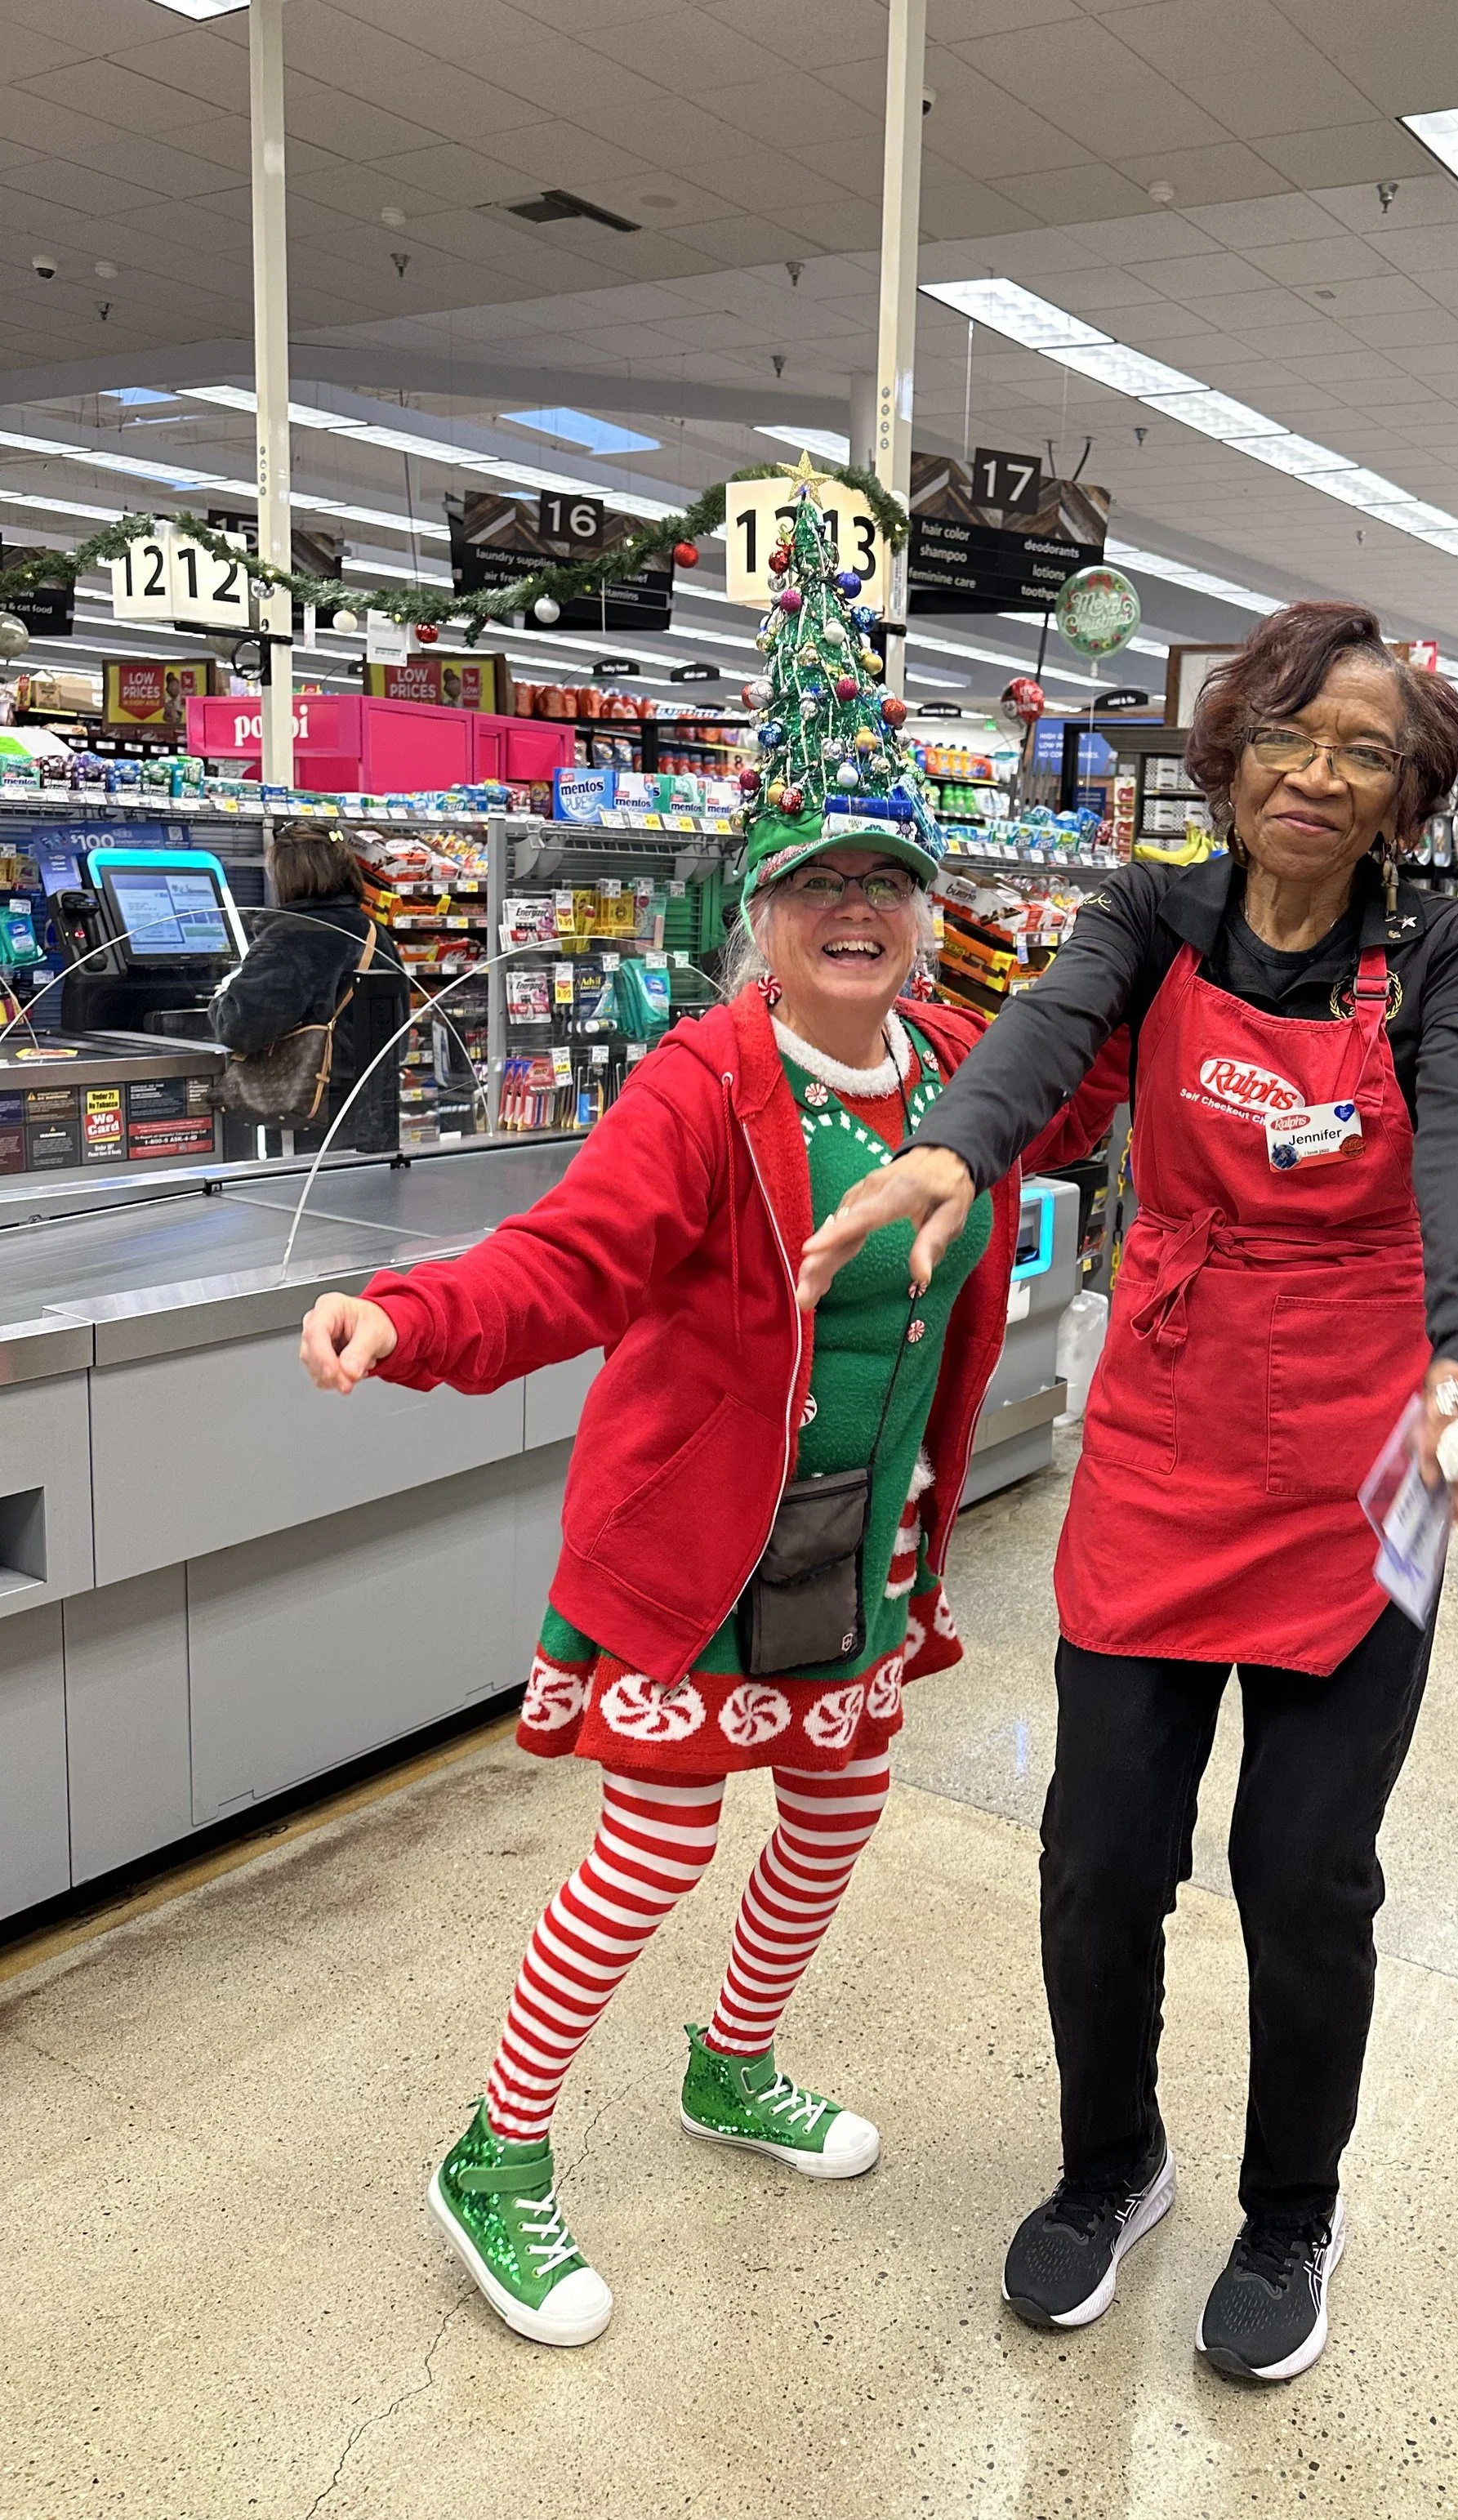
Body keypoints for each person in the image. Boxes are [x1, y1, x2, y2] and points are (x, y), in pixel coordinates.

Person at [294, 491, 1116, 2351]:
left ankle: (730, 2065)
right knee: (653, 1847)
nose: (853, 911)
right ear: (759, 911)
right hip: (701, 1548)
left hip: (855, 1557)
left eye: (885, 884)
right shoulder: (702, 1082)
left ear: (926, 917)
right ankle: (495, 2154)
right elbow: (566, 1264)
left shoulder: (952, 1084)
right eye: (816, 883)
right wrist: (405, 1315)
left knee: (831, 1810)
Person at [799, 599, 1458, 2387]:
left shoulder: (1439, 950)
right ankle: (1108, 2162)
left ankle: (1294, 2205)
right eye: (1288, 736)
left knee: (1304, 1873)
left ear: (1401, 794)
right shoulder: (1147, 915)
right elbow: (1042, 1046)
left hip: (1371, 1458)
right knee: (1098, 1851)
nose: (1316, 773)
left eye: (1362, 751)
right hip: (1169, 1433)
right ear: (1231, 753)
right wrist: (947, 1153)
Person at [208, 823, 406, 1153]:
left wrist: (221, 997)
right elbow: (397, 1030)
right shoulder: (373, 932)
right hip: (372, 1116)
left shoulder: (290, 937)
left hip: (307, 1116)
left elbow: (239, 1027)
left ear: (288, 877)